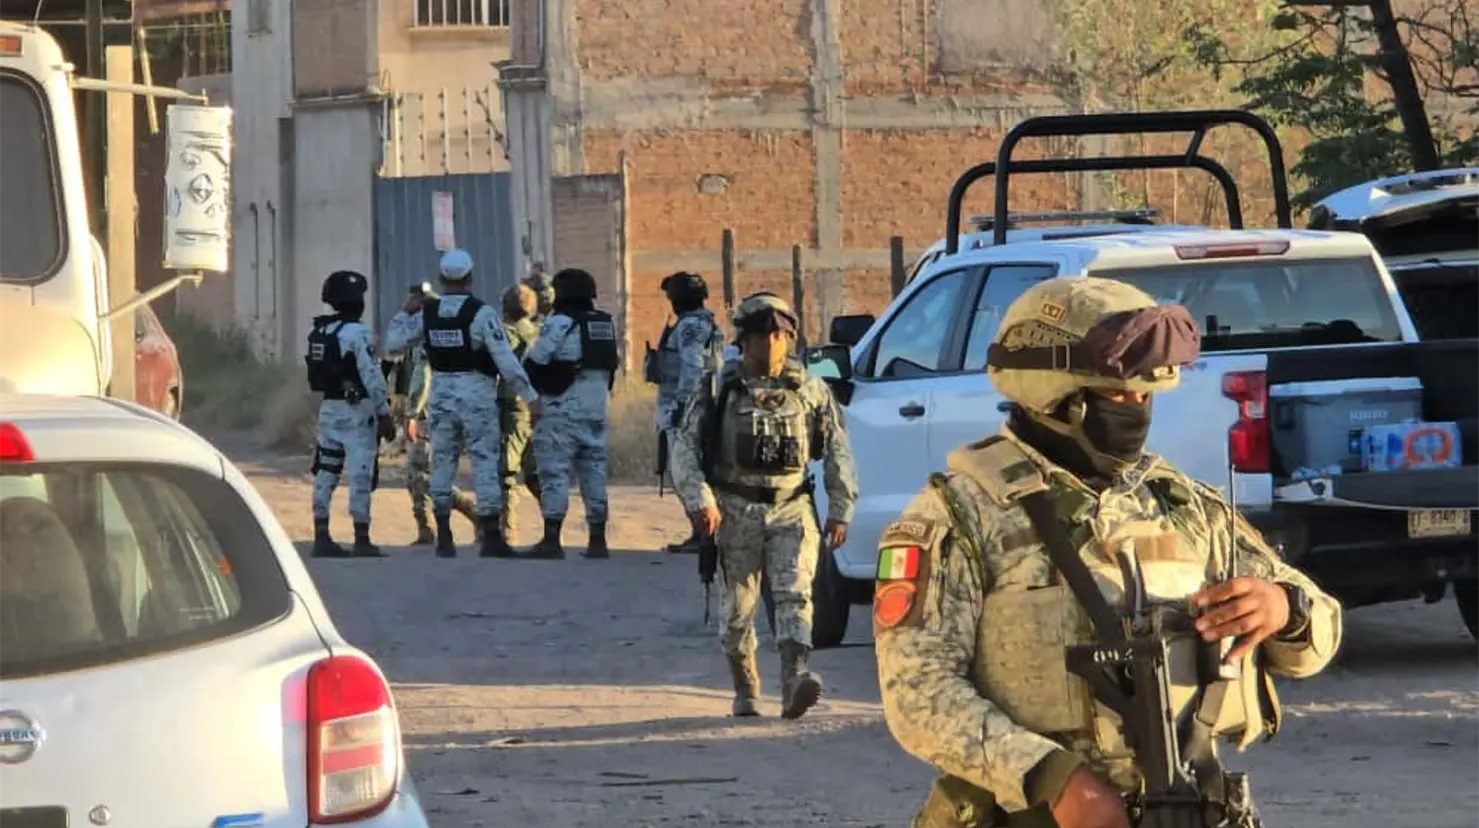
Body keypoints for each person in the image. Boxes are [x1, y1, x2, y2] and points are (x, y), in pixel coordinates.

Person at [873, 276, 1342, 828]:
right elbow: (918, 695)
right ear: (1054, 394)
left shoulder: (1180, 504)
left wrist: (1285, 608)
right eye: (1118, 395)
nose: (1136, 411)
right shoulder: (959, 515)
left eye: (1145, 397)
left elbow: (1314, 640)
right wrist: (1055, 779)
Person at [668, 292, 858, 720]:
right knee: (739, 610)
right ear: (745, 340)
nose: (772, 343)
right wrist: (700, 500)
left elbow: (838, 451)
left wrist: (841, 506)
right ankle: (745, 684)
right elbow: (684, 449)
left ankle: (796, 678)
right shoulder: (720, 388)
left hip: (792, 507)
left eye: (779, 335)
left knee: (795, 594)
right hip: (735, 509)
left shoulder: (809, 388)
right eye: (762, 335)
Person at [384, 249, 540, 558]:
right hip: (477, 393)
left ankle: (444, 536)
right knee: (484, 461)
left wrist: (405, 311)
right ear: (470, 280)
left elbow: (393, 343)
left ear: (442, 280)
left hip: (442, 394)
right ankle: (492, 537)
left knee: (442, 462)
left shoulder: (428, 314)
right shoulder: (482, 315)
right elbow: (506, 362)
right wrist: (531, 397)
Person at [522, 268, 621, 559]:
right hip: (596, 410)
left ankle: (551, 540)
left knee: (554, 474)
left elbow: (536, 361)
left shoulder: (561, 323)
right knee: (594, 474)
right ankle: (598, 541)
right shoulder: (604, 324)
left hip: (562, 411)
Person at [305, 269, 395, 558]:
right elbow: (370, 375)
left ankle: (321, 535)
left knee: (326, 471)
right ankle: (361, 537)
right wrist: (384, 413)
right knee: (360, 472)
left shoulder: (320, 331)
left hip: (329, 409)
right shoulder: (357, 333)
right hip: (358, 411)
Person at [652, 271, 725, 554]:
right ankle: (703, 533)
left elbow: (693, 366)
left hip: (686, 406)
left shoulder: (690, 326)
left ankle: (705, 535)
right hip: (697, 403)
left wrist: (682, 405)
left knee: (686, 471)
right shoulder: (704, 322)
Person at [399, 313, 480, 545]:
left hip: (428, 416)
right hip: (443, 412)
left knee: (421, 474)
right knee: (416, 474)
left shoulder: (426, 343)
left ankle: (472, 511)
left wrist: (411, 413)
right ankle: (425, 529)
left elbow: (422, 379)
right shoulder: (449, 340)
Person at [499, 282, 543, 543]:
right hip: (537, 408)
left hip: (511, 407)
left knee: (506, 471)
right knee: (534, 471)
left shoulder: (505, 334)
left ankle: (507, 529)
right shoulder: (539, 333)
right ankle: (553, 522)